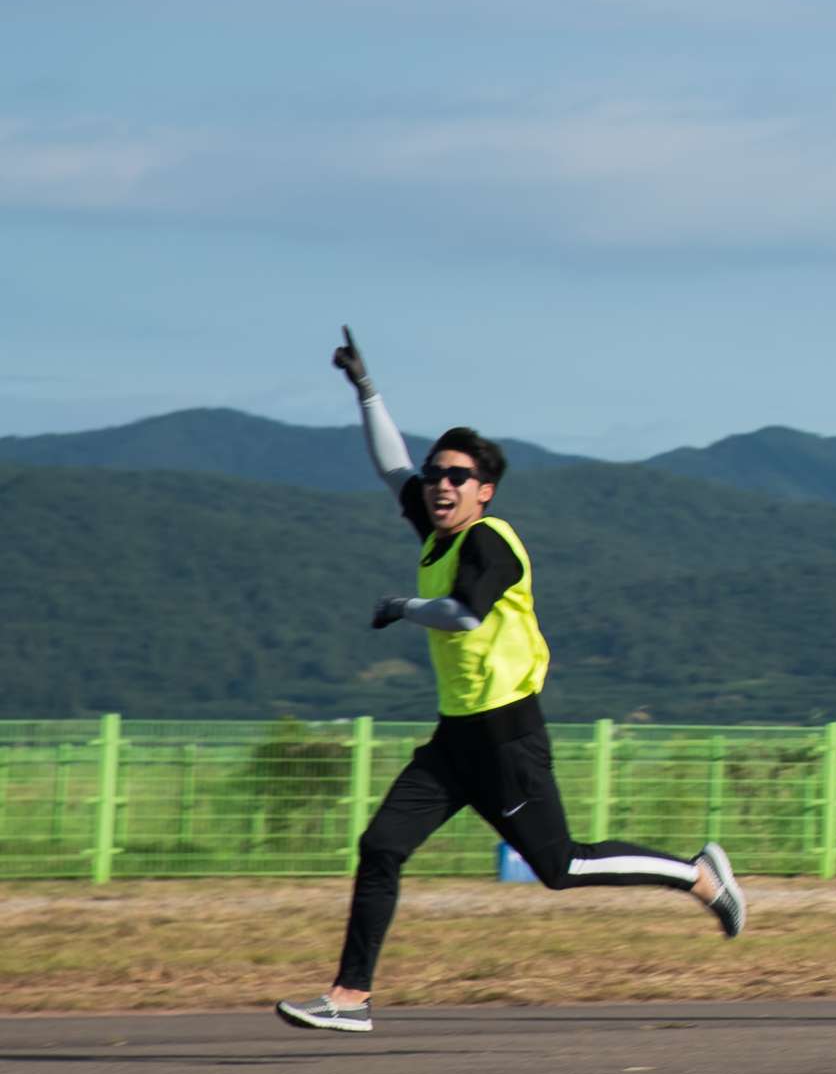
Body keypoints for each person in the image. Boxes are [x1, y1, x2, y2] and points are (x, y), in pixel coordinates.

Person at [278, 333, 741, 1035]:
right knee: (380, 847)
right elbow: (390, 467)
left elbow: (463, 616)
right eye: (437, 473)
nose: (440, 483)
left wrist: (402, 608)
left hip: (506, 741)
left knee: (562, 868)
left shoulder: (490, 541)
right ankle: (350, 998)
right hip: (454, 740)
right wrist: (365, 388)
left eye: (457, 476)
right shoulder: (436, 534)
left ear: (483, 492)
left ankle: (698, 876)